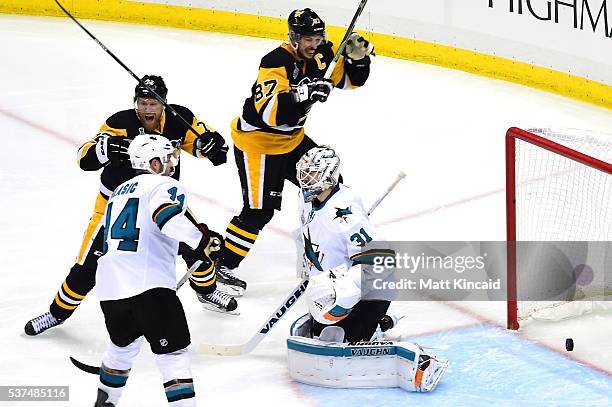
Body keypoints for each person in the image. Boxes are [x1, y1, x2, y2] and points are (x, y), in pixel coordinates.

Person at [25, 75, 230, 336]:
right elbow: (83, 159)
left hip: (160, 198)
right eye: (142, 103)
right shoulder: (120, 123)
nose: (146, 109)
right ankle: (57, 313)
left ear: (164, 104)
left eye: (152, 104)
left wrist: (211, 145)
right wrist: (106, 148)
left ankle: (208, 292)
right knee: (89, 265)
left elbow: (215, 151)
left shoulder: (180, 119)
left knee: (196, 245)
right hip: (117, 203)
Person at [214, 8, 375, 296]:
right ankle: (221, 265)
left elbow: (350, 80)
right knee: (258, 212)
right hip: (258, 145)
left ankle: (319, 251)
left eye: (318, 37)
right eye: (308, 39)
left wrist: (358, 60)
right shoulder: (275, 61)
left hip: (293, 140)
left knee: (328, 187)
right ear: (294, 37)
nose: (314, 44)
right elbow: (270, 113)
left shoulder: (322, 53)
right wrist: (305, 93)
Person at [286, 146, 448, 393]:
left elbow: (380, 260)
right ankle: (371, 323)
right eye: (304, 174)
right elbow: (306, 233)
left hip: (370, 289)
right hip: (331, 285)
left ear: (328, 175)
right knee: (324, 335)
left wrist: (344, 290)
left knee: (338, 341)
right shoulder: (305, 198)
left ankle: (374, 323)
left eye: (312, 174)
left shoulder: (344, 216)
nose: (304, 180)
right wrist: (306, 265)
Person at [93, 134, 225, 407]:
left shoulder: (118, 192)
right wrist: (202, 240)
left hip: (110, 289)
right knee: (173, 357)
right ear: (153, 163)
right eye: (167, 159)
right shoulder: (163, 184)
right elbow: (166, 218)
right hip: (149, 287)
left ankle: (106, 402)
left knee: (122, 349)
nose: (172, 165)